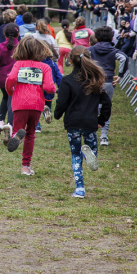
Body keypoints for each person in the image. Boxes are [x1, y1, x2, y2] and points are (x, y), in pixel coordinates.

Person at [54, 46, 111, 198]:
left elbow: (61, 103)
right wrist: (101, 120)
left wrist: (57, 114)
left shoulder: (67, 81)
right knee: (91, 148)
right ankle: (90, 154)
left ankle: (80, 188)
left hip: (72, 123)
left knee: (75, 154)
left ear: (70, 61)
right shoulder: (95, 80)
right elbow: (107, 103)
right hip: (90, 123)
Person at [4, 37, 57, 175]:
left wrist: (10, 91)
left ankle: (15, 135)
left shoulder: (18, 64)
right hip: (36, 104)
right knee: (31, 134)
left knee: (18, 129)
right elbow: (50, 87)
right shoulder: (45, 67)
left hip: (20, 102)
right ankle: (25, 167)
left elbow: (10, 79)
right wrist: (51, 91)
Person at [88, 25, 126, 147]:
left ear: (97, 38)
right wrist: (120, 75)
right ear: (111, 38)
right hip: (109, 81)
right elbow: (124, 58)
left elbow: (81, 59)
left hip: (94, 81)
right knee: (106, 107)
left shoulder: (90, 50)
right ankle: (104, 136)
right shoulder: (114, 51)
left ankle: (91, 133)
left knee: (92, 106)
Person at [0, 22, 19, 135]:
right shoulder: (21, 46)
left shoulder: (0, 46)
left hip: (2, 77)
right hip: (15, 77)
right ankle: (10, 124)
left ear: (4, 34)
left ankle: (1, 121)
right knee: (11, 100)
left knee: (4, 97)